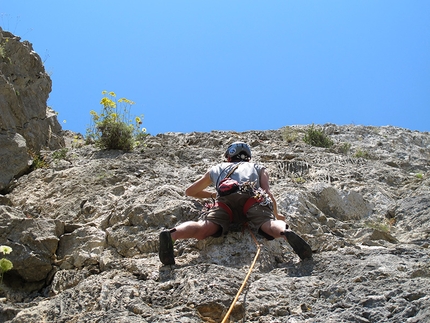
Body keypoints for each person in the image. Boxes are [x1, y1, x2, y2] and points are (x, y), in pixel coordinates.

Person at [159, 141, 312, 265]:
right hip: (252, 198)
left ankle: (173, 234)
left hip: (224, 202)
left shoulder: (217, 168)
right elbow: (267, 192)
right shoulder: (258, 167)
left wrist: (214, 194)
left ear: (229, 156)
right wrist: (277, 215)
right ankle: (285, 232)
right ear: (248, 157)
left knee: (204, 227)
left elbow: (190, 192)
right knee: (268, 223)